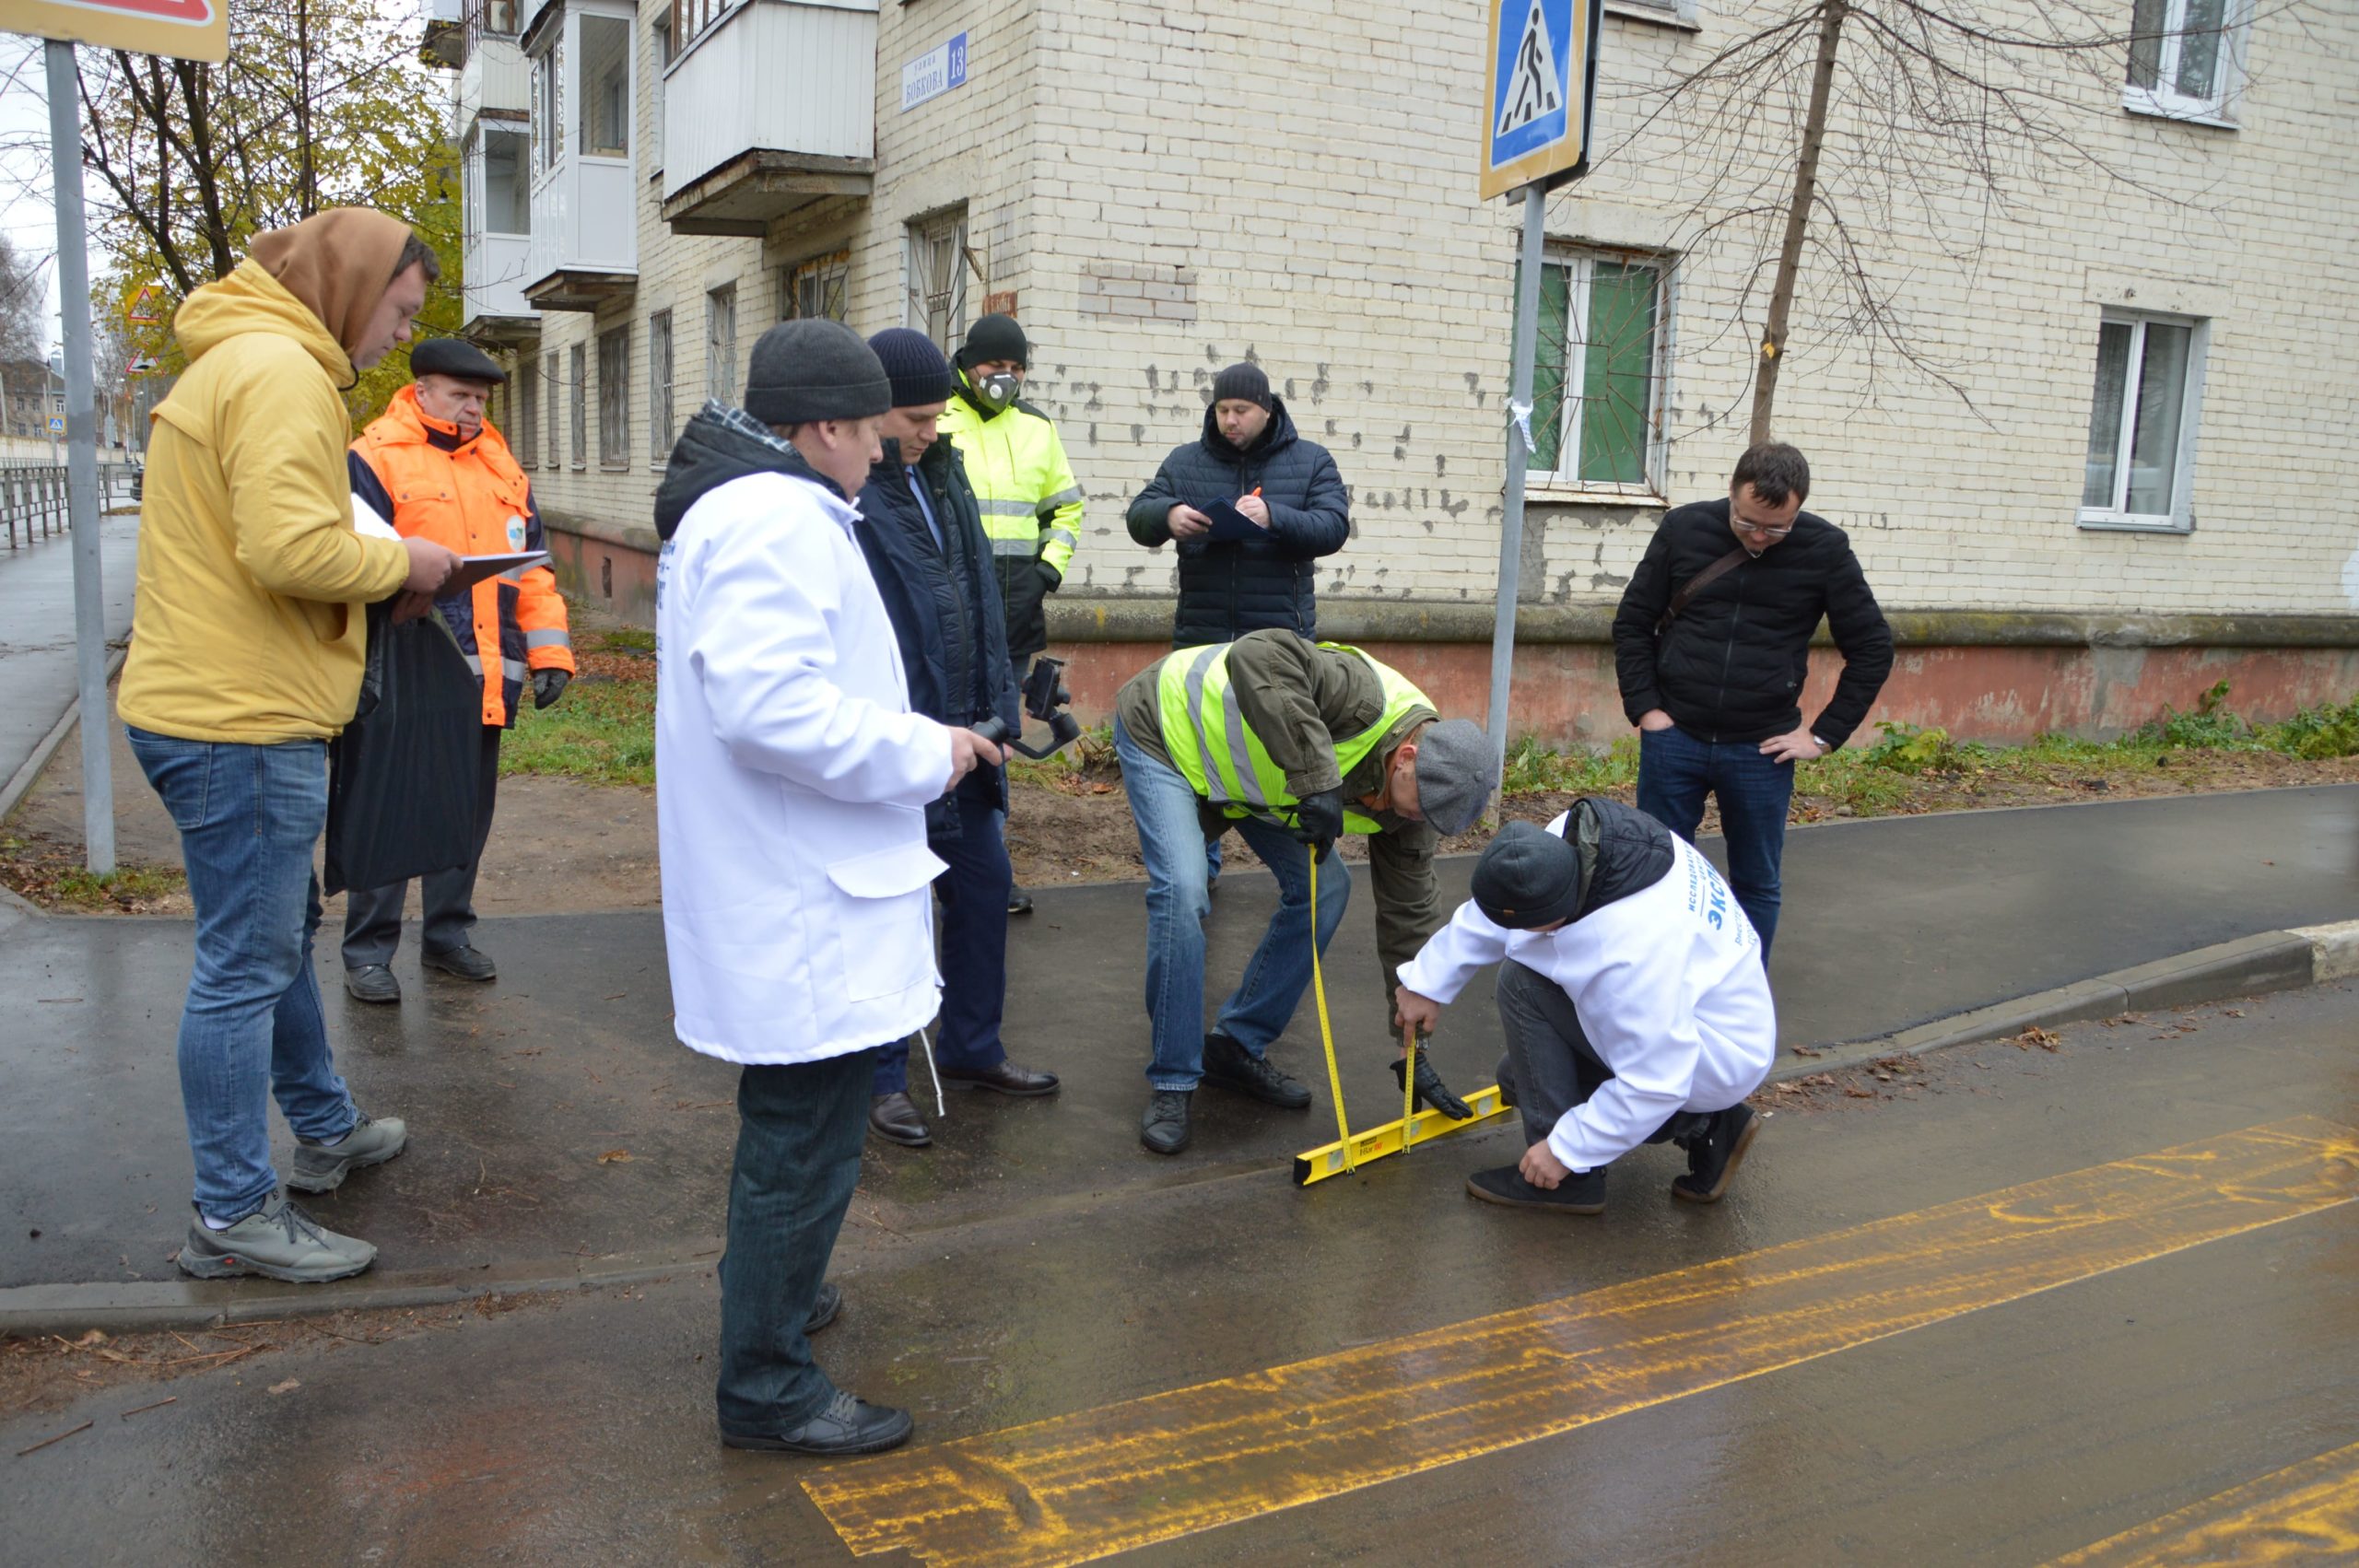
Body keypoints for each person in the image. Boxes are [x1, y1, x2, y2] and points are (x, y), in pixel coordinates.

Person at [652, 319, 1004, 1457]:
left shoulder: (751, 507)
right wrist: (928, 750)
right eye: (871, 435)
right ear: (824, 428)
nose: (887, 456)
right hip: (804, 890)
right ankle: (765, 1382)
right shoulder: (774, 520)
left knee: (795, 1125)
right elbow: (769, 708)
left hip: (797, 876)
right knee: (804, 1134)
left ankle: (778, 1296)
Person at [117, 209, 461, 1283]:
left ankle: (325, 1123)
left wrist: (373, 560)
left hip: (215, 701)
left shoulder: (242, 355)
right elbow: (286, 545)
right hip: (241, 716)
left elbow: (262, 529)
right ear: (352, 289)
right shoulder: (280, 371)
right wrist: (404, 563)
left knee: (270, 939)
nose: (395, 339)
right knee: (244, 964)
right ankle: (231, 1212)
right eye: (398, 312)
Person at [1110, 628, 1498, 1154]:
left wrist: (1414, 1047)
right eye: (1413, 805)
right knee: (1182, 892)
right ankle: (1173, 1080)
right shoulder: (1359, 696)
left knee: (1327, 888)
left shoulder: (1422, 800)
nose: (1412, 819)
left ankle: (1235, 1045)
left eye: (1427, 817)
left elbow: (1408, 914)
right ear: (1407, 755)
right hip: (1170, 732)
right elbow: (1257, 653)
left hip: (1253, 780)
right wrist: (1318, 782)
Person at [851, 328, 1062, 1148]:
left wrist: (997, 716)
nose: (932, 431)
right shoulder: (852, 495)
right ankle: (879, 1080)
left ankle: (973, 1048)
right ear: (871, 413)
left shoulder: (945, 475)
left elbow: (975, 604)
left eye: (938, 416)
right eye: (917, 417)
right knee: (895, 911)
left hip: (969, 740)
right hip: (901, 744)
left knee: (982, 891)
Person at [1393, 805, 1777, 1214]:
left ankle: (1567, 1181)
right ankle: (1709, 1126)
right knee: (1516, 1076)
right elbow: (1505, 901)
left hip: (1716, 1054)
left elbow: (1656, 1083)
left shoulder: (1631, 956)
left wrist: (1565, 1149)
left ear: (1553, 917)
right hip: (1706, 1012)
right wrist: (1426, 982)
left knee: (1521, 983)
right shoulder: (1572, 840)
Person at [340, 336, 574, 1002]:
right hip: (403, 666)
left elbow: (534, 570)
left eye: (480, 398)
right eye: (460, 395)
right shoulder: (374, 457)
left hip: (486, 669)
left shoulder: (503, 468)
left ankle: (446, 935)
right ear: (421, 393)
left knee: (464, 812)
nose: (473, 409)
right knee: (390, 807)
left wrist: (551, 652)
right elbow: (355, 557)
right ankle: (368, 951)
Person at [1611, 443, 1892, 957]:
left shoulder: (1825, 549)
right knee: (1656, 873)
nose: (1760, 537)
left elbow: (1873, 647)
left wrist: (1825, 735)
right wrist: (1647, 709)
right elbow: (1632, 623)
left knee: (1756, 882)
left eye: (1776, 528)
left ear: (1799, 507)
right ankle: (1658, 983)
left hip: (1762, 749)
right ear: (1732, 493)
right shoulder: (1685, 529)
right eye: (1747, 523)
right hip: (1675, 738)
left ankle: (1741, 999)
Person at [1126, 360, 1350, 889]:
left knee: (1269, 748)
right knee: (1194, 751)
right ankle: (1198, 867)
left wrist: (1274, 517)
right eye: (1222, 410)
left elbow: (1332, 526)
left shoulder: (1311, 461)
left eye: (1241, 411)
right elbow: (1140, 514)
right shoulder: (1186, 462)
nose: (1230, 420)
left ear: (1267, 411)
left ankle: (1295, 858)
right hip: (1199, 639)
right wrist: (1168, 516)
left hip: (1277, 645)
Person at [937, 312, 1082, 916]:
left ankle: (989, 875)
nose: (1007, 377)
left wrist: (1046, 572)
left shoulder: (1037, 429)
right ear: (970, 364)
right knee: (944, 737)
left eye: (1017, 367)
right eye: (997, 366)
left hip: (1014, 615)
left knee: (997, 744)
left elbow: (1066, 512)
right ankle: (938, 871)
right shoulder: (937, 420)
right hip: (949, 613)